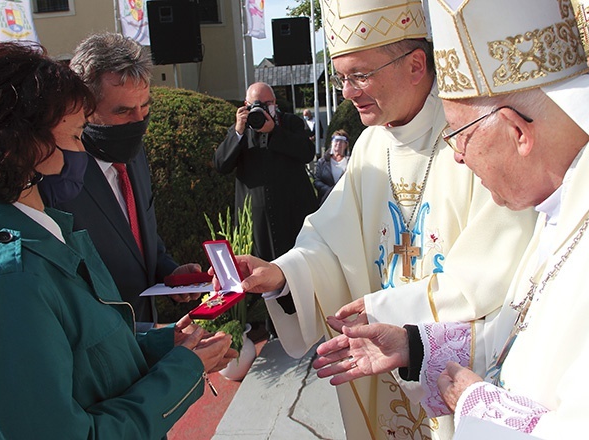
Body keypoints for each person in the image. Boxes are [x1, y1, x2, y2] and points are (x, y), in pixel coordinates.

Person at [230, 1, 538, 438]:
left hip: (459, 380)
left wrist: (382, 310)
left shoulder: (474, 132)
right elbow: (331, 245)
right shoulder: (371, 147)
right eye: (341, 78)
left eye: (359, 75)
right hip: (382, 377)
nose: (347, 92)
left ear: (416, 65)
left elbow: (491, 278)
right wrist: (281, 274)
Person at [313, 0, 589, 438]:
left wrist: (482, 406)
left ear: (518, 132)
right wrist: (416, 346)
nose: (456, 156)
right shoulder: (561, 214)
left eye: (458, 134)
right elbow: (517, 339)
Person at [0, 41, 235, 439]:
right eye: (76, 134)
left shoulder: (40, 231)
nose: (84, 150)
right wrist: (184, 370)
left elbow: (74, 349)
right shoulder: (5, 284)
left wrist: (160, 343)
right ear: (24, 145)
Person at [57, 33, 199, 330]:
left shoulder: (133, 154)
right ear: (84, 107)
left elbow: (138, 238)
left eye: (145, 108)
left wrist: (170, 275)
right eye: (122, 111)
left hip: (146, 337)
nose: (138, 121)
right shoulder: (58, 178)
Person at [214, 82, 318, 266]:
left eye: (267, 104)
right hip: (257, 222)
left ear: (275, 103)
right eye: (256, 105)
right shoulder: (240, 130)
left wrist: (274, 131)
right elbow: (221, 165)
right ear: (246, 105)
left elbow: (307, 153)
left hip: (292, 214)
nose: (262, 109)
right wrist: (238, 132)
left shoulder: (290, 122)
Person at [313, 129, 350, 205]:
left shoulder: (351, 162)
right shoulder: (322, 162)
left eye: (341, 141)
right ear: (332, 143)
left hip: (345, 201)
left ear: (346, 145)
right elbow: (317, 181)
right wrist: (330, 190)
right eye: (336, 141)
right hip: (325, 201)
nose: (338, 143)